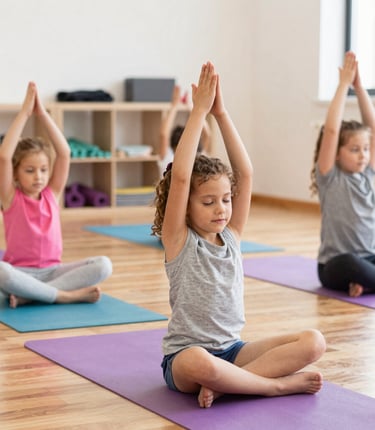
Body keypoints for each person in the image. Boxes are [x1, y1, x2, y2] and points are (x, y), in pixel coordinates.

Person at [152, 62, 326, 408]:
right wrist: (199, 112)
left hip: (235, 351)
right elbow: (182, 177)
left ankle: (231, 384)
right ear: (185, 206)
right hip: (186, 359)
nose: (221, 209)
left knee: (314, 341)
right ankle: (274, 387)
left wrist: (222, 112)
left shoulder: (231, 235)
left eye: (226, 200)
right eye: (208, 202)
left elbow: (245, 174)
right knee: (201, 362)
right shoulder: (179, 240)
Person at [0, 82, 112, 308]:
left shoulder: (52, 193)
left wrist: (42, 113)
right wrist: (25, 112)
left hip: (54, 273)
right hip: (19, 273)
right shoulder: (10, 197)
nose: (38, 177)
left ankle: (32, 296)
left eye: (43, 170)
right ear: (16, 173)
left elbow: (64, 153)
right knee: (2, 272)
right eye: (29, 171)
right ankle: (66, 296)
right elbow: (4, 157)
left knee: (103, 265)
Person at [310, 51, 375, 298]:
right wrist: (343, 85)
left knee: (363, 264)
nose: (363, 155)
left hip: (369, 258)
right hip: (334, 266)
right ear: (337, 154)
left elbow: (373, 128)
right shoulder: (330, 177)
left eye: (366, 149)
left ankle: (366, 283)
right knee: (351, 262)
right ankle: (365, 280)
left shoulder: (367, 175)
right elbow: (331, 130)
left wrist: (359, 88)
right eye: (355, 149)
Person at [158, 84, 212, 177]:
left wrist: (175, 105)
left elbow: (164, 135)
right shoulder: (172, 158)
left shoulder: (170, 159)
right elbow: (207, 134)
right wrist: (193, 108)